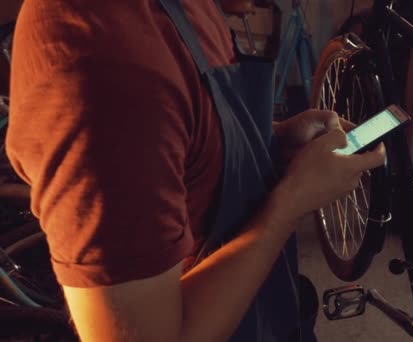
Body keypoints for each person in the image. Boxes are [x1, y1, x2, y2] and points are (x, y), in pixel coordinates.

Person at [7, 0, 385, 341]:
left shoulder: (187, 10)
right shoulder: (100, 56)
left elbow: (175, 142)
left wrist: (267, 144)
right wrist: (293, 201)